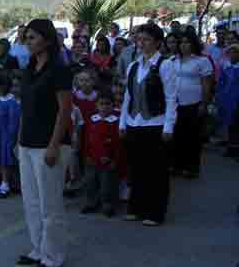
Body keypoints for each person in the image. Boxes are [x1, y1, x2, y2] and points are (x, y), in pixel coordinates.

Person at [16, 19, 73, 267]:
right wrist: (19, 140)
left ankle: (53, 255)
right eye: (26, 37)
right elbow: (25, 109)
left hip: (48, 145)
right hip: (27, 143)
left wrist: (54, 145)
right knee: (31, 201)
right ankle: (38, 248)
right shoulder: (28, 68)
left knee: (50, 204)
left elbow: (65, 109)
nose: (27, 41)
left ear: (47, 40)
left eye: (32, 37)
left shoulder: (59, 69)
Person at [119, 23, 178, 226]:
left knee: (156, 170)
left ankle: (155, 212)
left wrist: (169, 126)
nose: (141, 43)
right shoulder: (134, 65)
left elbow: (171, 98)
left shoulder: (165, 64)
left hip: (155, 122)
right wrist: (123, 122)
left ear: (157, 43)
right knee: (137, 168)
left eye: (146, 40)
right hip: (135, 122)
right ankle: (136, 208)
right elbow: (128, 95)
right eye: (139, 39)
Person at [171, 31, 213, 178]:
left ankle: (191, 168)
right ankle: (176, 165)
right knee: (177, 135)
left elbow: (206, 84)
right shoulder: (173, 60)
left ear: (193, 44)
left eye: (187, 42)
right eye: (181, 42)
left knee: (192, 137)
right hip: (175, 104)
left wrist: (204, 103)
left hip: (194, 103)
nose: (183, 45)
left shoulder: (202, 61)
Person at [81, 93, 121, 217]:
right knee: (90, 182)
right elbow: (86, 139)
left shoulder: (116, 122)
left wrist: (114, 159)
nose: (104, 107)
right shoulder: (92, 120)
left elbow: (118, 143)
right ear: (96, 105)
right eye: (101, 104)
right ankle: (91, 202)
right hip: (92, 159)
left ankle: (107, 204)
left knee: (106, 185)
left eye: (107, 104)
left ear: (112, 106)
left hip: (107, 161)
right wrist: (86, 155)